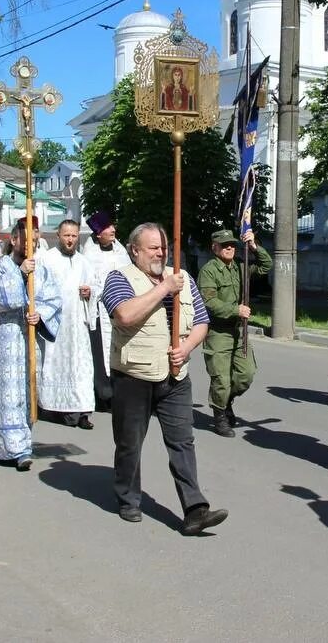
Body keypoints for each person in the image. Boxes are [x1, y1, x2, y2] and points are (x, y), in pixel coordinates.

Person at [101, 222, 228, 536]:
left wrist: (185, 348)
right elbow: (124, 315)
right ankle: (128, 498)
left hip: (174, 376)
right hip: (133, 375)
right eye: (153, 248)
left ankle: (195, 509)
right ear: (134, 250)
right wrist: (163, 289)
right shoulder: (119, 278)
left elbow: (201, 321)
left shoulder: (182, 278)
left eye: (163, 247)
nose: (161, 252)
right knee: (130, 443)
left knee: (182, 442)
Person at [0, 220, 62, 470]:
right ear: (14, 240)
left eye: (35, 240)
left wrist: (40, 313)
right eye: (26, 240)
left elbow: (54, 298)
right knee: (4, 393)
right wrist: (20, 274)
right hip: (7, 338)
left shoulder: (41, 270)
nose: (30, 245)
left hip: (30, 338)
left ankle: (22, 446)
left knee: (25, 392)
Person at [197, 228, 273, 437]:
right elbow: (209, 301)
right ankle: (220, 415)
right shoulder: (209, 270)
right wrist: (235, 309)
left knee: (245, 375)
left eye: (232, 244)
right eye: (224, 245)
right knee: (221, 379)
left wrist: (254, 246)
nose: (230, 247)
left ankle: (226, 400)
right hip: (218, 332)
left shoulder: (241, 265)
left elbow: (266, 266)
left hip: (239, 331)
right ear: (215, 247)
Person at [36, 219, 98, 428]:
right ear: (58, 236)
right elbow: (38, 290)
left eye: (74, 236)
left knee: (81, 366)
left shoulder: (84, 261)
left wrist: (90, 292)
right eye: (66, 235)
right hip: (55, 324)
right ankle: (52, 408)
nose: (70, 239)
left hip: (77, 326)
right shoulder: (46, 259)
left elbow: (96, 286)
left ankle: (82, 413)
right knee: (53, 364)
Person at [81, 211, 130, 411]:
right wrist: (90, 290)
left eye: (112, 227)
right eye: (108, 228)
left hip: (120, 310)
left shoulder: (120, 251)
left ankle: (120, 392)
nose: (113, 230)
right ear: (98, 233)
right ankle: (103, 394)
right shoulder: (89, 254)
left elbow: (127, 275)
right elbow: (87, 282)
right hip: (99, 311)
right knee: (100, 352)